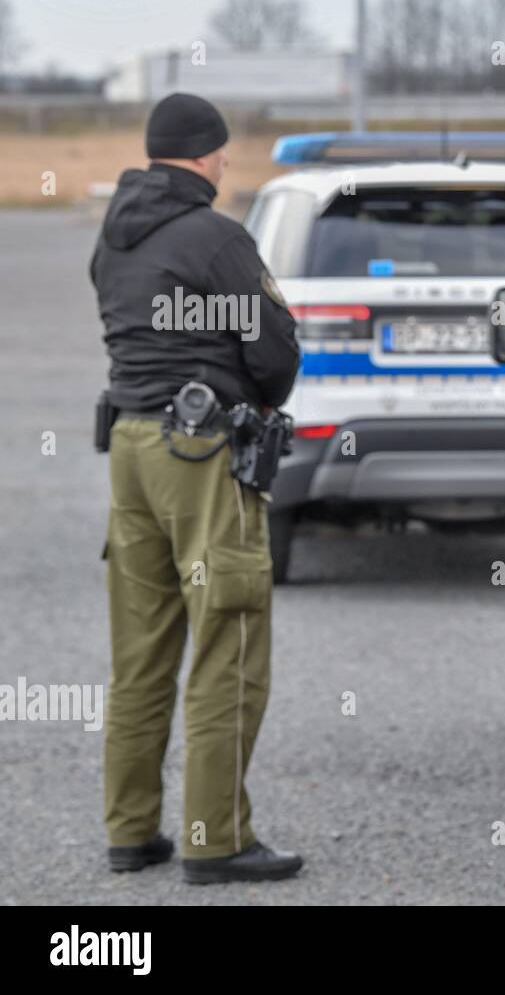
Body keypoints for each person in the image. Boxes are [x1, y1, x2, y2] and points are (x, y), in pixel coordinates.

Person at [90, 92, 303, 884]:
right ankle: (215, 840)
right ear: (208, 153)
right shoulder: (215, 236)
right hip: (202, 455)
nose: (225, 163)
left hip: (129, 448)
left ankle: (130, 830)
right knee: (229, 639)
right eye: (221, 152)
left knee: (140, 650)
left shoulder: (112, 237)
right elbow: (276, 350)